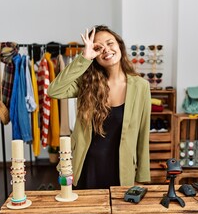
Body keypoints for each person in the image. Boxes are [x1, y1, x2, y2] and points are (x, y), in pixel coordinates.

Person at [47, 25, 151, 189]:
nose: (106, 50)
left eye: (110, 43)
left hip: (121, 169)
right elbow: (54, 91)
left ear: (119, 46)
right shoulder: (86, 83)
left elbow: (143, 133)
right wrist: (84, 58)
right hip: (86, 166)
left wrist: (142, 177)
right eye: (98, 47)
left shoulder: (141, 86)